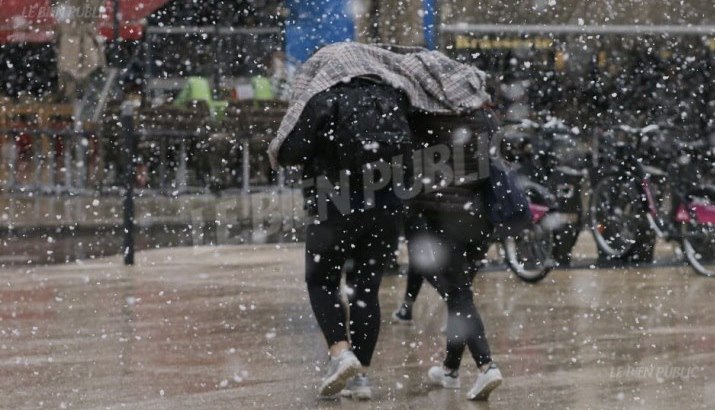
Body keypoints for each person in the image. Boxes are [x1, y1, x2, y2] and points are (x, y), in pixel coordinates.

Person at [276, 77, 412, 399]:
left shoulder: (323, 98)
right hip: (386, 204)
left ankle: (340, 352)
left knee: (321, 280)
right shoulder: (391, 96)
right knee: (366, 288)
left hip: (334, 203)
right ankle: (361, 378)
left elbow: (291, 152)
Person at [403, 109, 503, 400]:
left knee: (458, 295)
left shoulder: (424, 116)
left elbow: (411, 170)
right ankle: (450, 369)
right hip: (480, 220)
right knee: (460, 295)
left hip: (444, 221)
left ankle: (487, 365)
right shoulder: (481, 113)